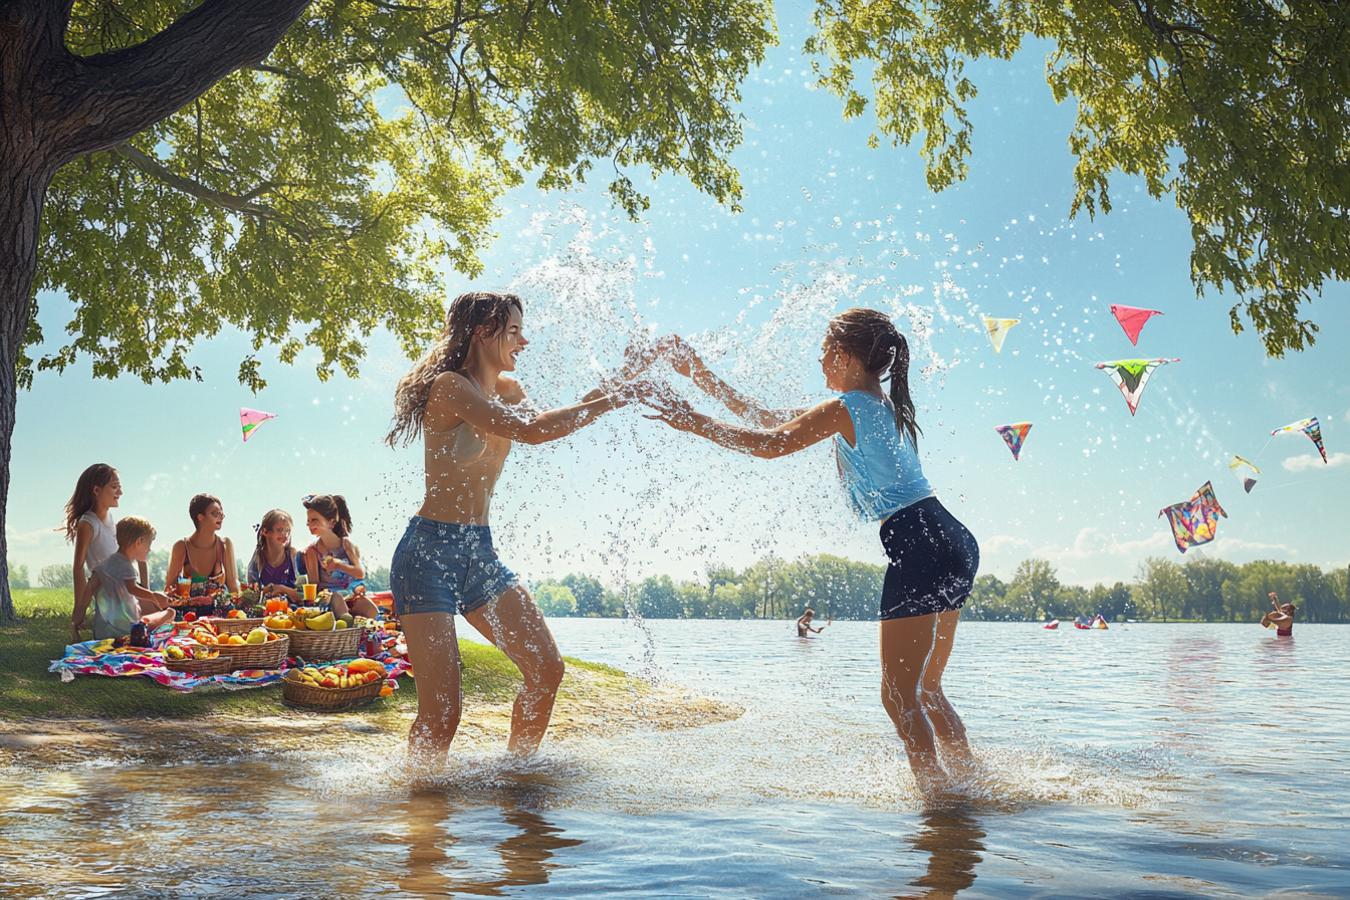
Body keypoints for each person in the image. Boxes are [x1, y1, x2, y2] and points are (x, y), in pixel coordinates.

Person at [646, 310, 980, 796]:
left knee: (898, 696)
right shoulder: (876, 404)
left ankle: (939, 804)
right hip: (952, 540)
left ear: (844, 356)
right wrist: (699, 374)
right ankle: (970, 788)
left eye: (825, 350)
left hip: (919, 540)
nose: (819, 358)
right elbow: (770, 419)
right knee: (926, 691)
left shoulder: (848, 405)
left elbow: (768, 444)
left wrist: (691, 421)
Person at [385, 290, 654, 762]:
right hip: (426, 556)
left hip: (479, 554)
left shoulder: (508, 390)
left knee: (546, 669)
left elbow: (548, 422)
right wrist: (616, 399)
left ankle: (516, 774)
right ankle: (421, 814)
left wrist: (622, 382)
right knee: (443, 715)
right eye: (513, 331)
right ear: (482, 332)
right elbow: (531, 432)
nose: (523, 341)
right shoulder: (452, 387)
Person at [72, 516, 175, 641]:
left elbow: (89, 589)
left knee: (145, 613)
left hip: (102, 633)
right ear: (139, 542)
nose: (149, 549)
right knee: (170, 613)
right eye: (149, 544)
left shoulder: (103, 566)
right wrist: (154, 597)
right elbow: (133, 589)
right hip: (127, 631)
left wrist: (79, 617)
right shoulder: (126, 567)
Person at [65, 464, 148, 612]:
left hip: (127, 588)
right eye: (115, 487)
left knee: (169, 607)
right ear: (97, 490)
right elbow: (78, 567)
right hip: (112, 597)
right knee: (166, 611)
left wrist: (145, 591)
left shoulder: (109, 517)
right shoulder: (88, 524)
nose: (120, 492)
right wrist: (79, 608)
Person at [301, 494, 377, 620]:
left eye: (314, 520)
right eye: (308, 521)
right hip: (328, 601)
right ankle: (345, 627)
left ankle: (360, 631)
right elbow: (314, 585)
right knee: (337, 598)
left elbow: (360, 573)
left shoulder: (346, 544)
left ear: (331, 522)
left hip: (350, 595)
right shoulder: (311, 551)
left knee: (371, 610)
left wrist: (338, 565)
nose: (309, 524)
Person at [164, 493, 241, 599]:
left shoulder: (225, 545)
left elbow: (233, 587)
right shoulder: (181, 546)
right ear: (200, 517)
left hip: (219, 611)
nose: (220, 517)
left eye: (221, 513)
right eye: (215, 513)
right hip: (189, 612)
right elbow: (170, 588)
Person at [247, 509, 300, 602]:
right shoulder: (258, 558)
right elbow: (251, 596)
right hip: (266, 608)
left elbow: (303, 595)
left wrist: (281, 589)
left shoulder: (293, 555)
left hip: (293, 609)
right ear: (265, 532)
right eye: (279, 530)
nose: (285, 534)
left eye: (288, 530)